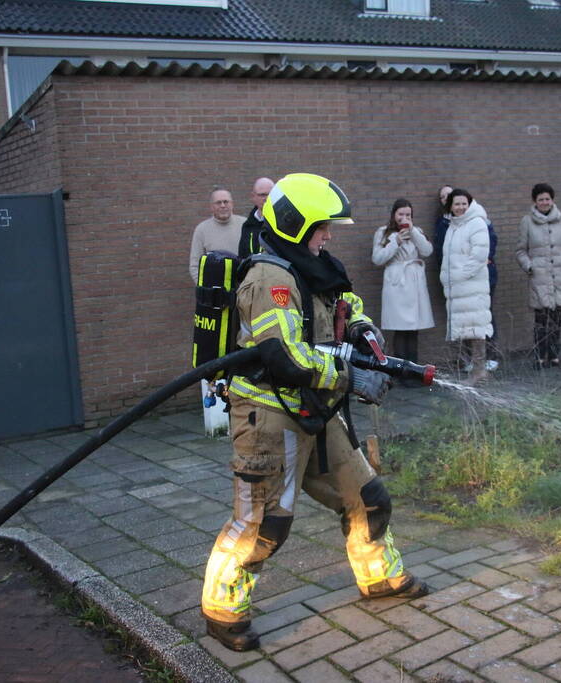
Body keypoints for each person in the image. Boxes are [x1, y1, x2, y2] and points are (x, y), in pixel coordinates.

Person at [201, 173, 430, 652]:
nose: (328, 235)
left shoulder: (314, 264)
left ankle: (381, 579)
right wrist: (354, 377)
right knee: (264, 526)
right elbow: (284, 358)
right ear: (294, 224)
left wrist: (364, 332)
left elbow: (345, 302)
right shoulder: (270, 279)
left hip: (315, 409)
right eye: (322, 226)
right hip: (268, 415)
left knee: (369, 498)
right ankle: (223, 611)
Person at [434, 185, 499, 373]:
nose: (460, 207)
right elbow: (446, 257)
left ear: (469, 204)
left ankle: (480, 371)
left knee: (477, 327)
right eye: (457, 204)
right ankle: (476, 370)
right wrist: (446, 278)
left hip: (472, 286)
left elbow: (479, 255)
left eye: (464, 203)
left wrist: (458, 276)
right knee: (467, 328)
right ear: (450, 206)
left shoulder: (476, 222)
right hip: (460, 289)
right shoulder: (454, 225)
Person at [515, 183, 561, 370]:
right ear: (535, 201)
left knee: (556, 319)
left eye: (547, 199)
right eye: (541, 199)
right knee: (541, 320)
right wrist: (530, 266)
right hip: (539, 278)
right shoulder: (527, 222)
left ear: (552, 200)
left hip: (560, 276)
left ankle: (554, 356)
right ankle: (540, 358)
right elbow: (520, 250)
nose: (544, 202)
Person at [371, 199, 434, 376]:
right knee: (400, 329)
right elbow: (377, 259)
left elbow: (427, 251)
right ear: (394, 215)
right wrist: (395, 241)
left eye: (408, 215)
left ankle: (415, 371)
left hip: (414, 285)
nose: (404, 218)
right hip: (397, 284)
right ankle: (401, 372)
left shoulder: (417, 232)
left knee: (414, 329)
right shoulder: (383, 233)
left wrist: (413, 232)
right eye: (401, 214)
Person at [188, 187, 245, 283]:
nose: (223, 205)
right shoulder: (201, 230)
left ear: (232, 204)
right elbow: (195, 265)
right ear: (211, 207)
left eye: (226, 202)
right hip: (216, 293)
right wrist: (205, 288)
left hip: (243, 290)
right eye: (218, 202)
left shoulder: (245, 225)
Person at [238, 177, 274, 259]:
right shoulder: (247, 226)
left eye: (270, 194)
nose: (266, 198)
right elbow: (242, 256)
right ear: (253, 196)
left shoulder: (281, 223)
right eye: (262, 195)